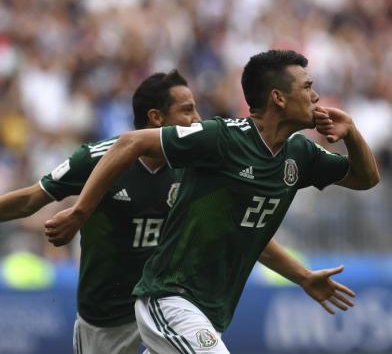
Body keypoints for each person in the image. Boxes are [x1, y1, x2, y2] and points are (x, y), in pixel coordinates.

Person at [44, 49, 380, 353]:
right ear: (278, 97)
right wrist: (79, 212)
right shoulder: (222, 138)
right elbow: (129, 143)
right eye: (307, 86)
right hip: (170, 297)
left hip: (212, 309)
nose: (316, 95)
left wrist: (351, 133)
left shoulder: (300, 153)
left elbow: (366, 179)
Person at [0, 70, 201, 354]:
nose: (197, 120)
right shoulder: (96, 159)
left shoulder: (194, 163)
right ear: (157, 117)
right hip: (106, 315)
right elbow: (30, 200)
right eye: (188, 110)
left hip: (165, 302)